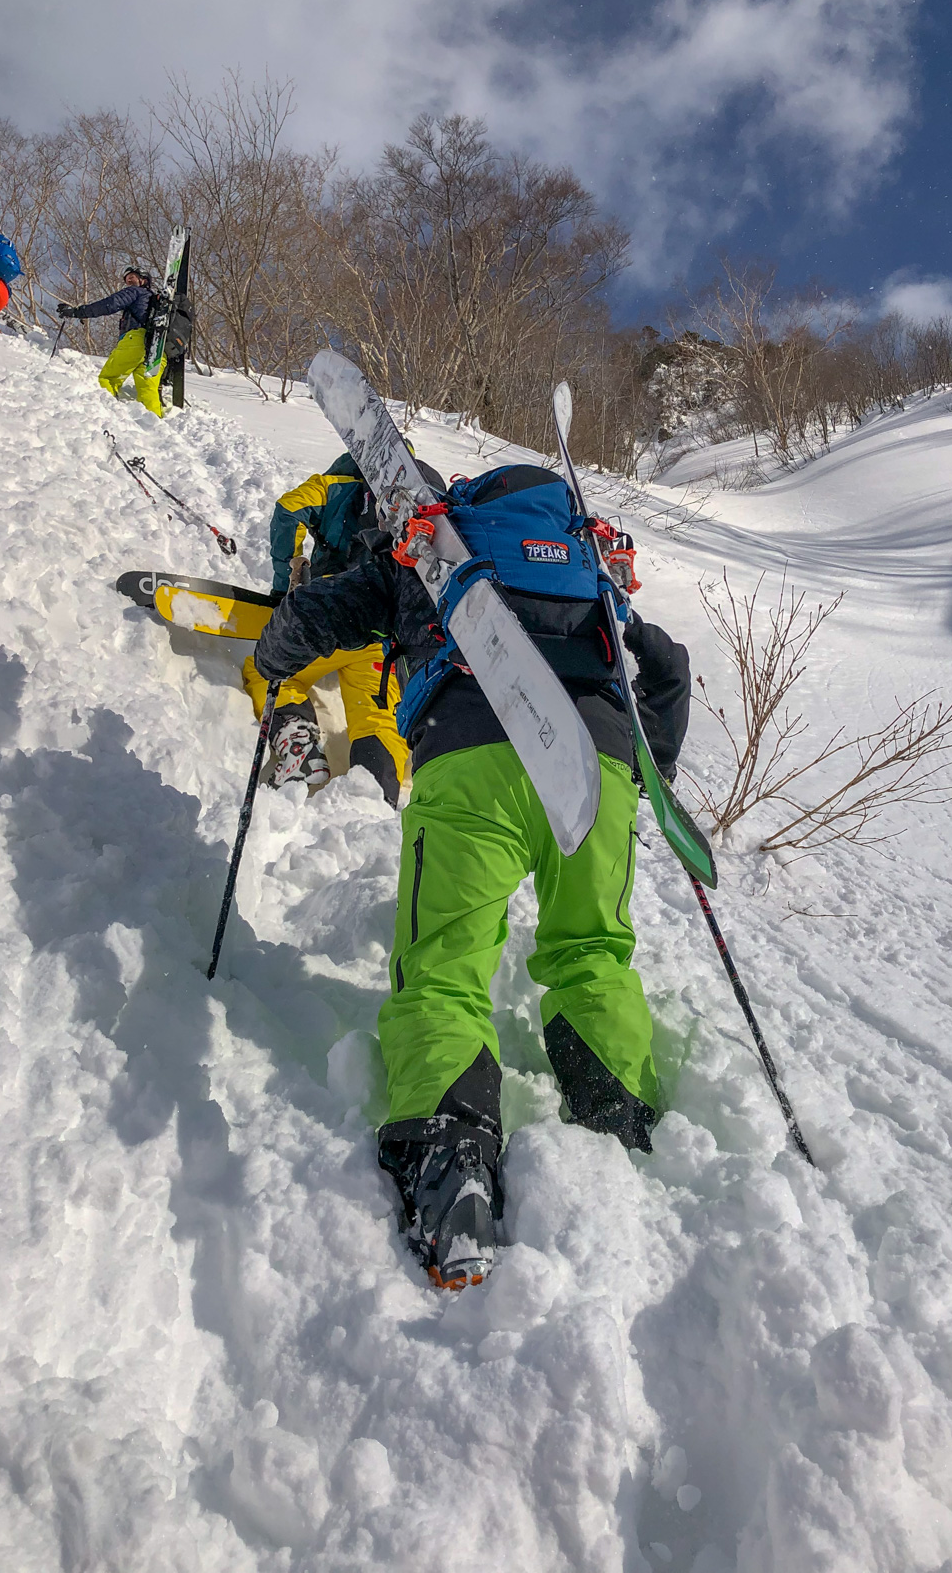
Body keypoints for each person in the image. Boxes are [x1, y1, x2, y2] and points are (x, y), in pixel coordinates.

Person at [252, 459, 691, 1290]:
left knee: (444, 968)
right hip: (595, 767)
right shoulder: (589, 568)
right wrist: (648, 768)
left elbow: (316, 615)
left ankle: (449, 1158)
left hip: (472, 751)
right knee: (593, 952)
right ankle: (622, 1124)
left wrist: (275, 657)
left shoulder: (431, 552)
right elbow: (667, 667)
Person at [240, 452, 411, 802]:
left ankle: (299, 748)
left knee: (266, 671)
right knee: (376, 716)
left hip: (330, 618)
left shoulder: (336, 486)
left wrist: (283, 589)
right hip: (381, 636)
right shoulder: (414, 506)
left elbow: (288, 509)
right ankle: (379, 791)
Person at [57, 267, 165, 418]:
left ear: (143, 280)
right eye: (127, 278)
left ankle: (106, 417)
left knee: (108, 378)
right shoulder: (156, 302)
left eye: (133, 277)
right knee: (148, 389)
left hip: (135, 340)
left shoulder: (136, 291)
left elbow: (110, 304)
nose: (128, 280)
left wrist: (78, 312)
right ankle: (154, 424)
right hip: (156, 347)